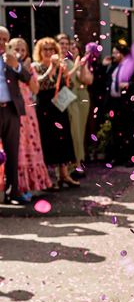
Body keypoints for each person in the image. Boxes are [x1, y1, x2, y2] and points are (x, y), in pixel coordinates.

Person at [31, 37, 79, 188]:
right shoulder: (35, 66)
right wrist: (51, 68)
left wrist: (67, 72)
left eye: (51, 49)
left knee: (62, 138)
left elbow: (70, 85)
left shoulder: (60, 67)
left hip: (58, 106)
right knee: (47, 140)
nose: (48, 52)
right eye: (45, 49)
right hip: (44, 107)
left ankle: (64, 175)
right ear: (40, 51)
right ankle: (48, 179)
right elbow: (39, 84)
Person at [9, 38, 53, 194]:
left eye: (23, 50)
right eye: (16, 49)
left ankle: (31, 184)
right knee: (16, 145)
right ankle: (16, 185)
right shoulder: (6, 66)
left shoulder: (28, 68)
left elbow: (35, 90)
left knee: (30, 142)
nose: (20, 53)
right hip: (12, 109)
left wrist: (25, 71)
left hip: (28, 109)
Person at [0, 26, 31, 205]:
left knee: (12, 152)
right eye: (0, 39)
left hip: (11, 110)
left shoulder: (12, 60)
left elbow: (28, 78)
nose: (2, 43)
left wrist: (16, 65)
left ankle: (13, 192)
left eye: (5, 40)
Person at [104, 43, 134, 166]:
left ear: (122, 53)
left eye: (116, 53)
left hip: (127, 103)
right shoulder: (113, 67)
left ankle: (131, 157)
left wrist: (129, 85)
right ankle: (117, 157)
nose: (114, 55)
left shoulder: (132, 66)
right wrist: (105, 66)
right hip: (115, 103)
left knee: (128, 131)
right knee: (115, 131)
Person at [66, 40, 94, 172]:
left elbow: (87, 80)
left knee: (79, 130)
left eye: (75, 47)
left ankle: (79, 161)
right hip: (68, 96)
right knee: (71, 131)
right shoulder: (64, 62)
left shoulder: (81, 62)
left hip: (81, 97)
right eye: (69, 47)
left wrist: (82, 66)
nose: (72, 49)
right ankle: (72, 162)